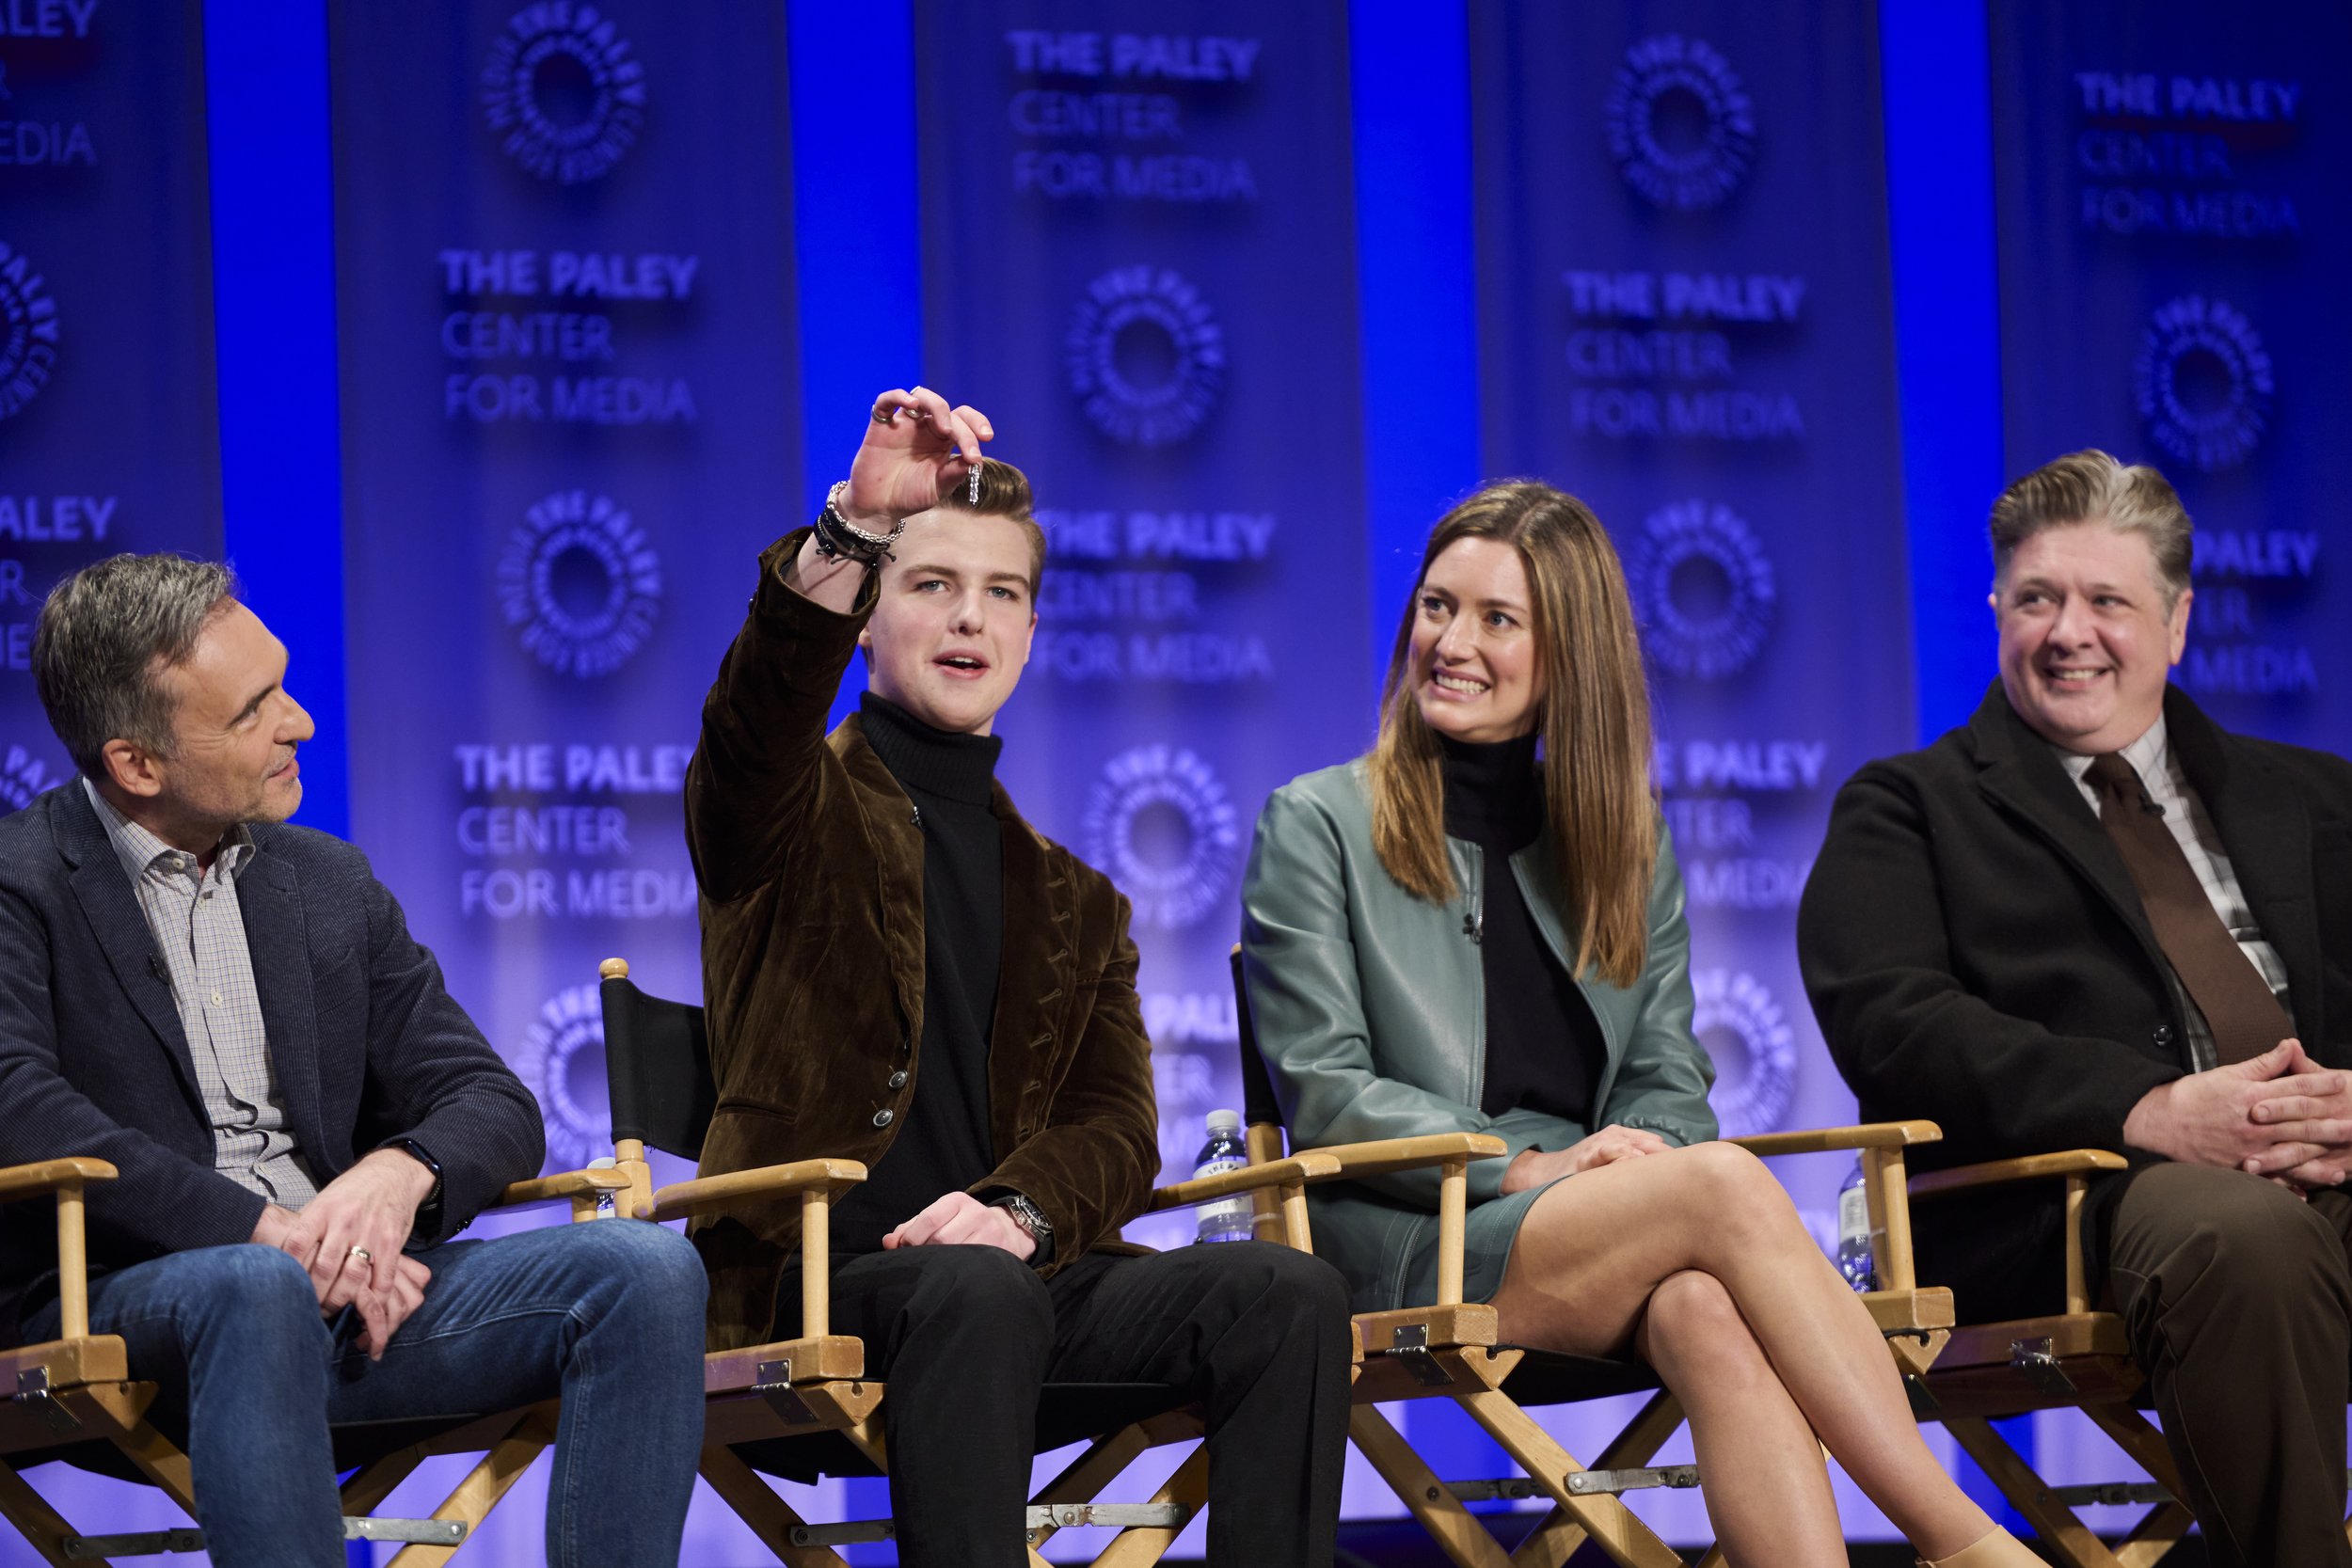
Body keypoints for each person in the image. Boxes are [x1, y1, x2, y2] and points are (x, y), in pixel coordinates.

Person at [1242, 481, 2036, 1568]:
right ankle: (1963, 1539)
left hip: (1597, 1224)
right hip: (1408, 1226)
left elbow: (1668, 1069)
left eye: (1496, 619)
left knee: (1707, 1305)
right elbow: (1326, 1089)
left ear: (1570, 654)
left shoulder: (1624, 840)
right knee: (1718, 1184)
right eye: (1437, 606)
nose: (1451, 642)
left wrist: (1626, 1160)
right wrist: (1538, 1168)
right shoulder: (1317, 821)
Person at [684, 386, 1353, 1568]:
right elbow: (754, 729)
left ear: (1033, 634)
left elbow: (1115, 1123)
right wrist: (854, 528)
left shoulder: (1077, 898)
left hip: (1016, 1280)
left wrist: (1017, 1213)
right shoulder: (789, 810)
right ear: (870, 615)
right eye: (931, 584)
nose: (968, 618)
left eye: (1002, 593)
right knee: (974, 1297)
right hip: (816, 1283)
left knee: (1286, 1293)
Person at [0, 554, 707, 1568]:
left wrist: (396, 1172)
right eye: (253, 712)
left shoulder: (327, 882)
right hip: (124, 1306)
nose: (301, 723)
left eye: (282, 683)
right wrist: (262, 1230)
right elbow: (19, 1105)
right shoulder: (20, 882)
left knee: (644, 1267)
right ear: (137, 763)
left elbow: (489, 1096)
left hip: (353, 1297)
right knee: (254, 1284)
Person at [1800, 449, 2352, 1568]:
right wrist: (2148, 1108)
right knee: (2238, 1237)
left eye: (2107, 599)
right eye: (2038, 597)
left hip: (2332, 1164)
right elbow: (1893, 1024)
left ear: (2177, 620)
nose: (2069, 631)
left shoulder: (2315, 794)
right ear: (1997, 606)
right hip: (2086, 1204)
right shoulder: (1906, 808)